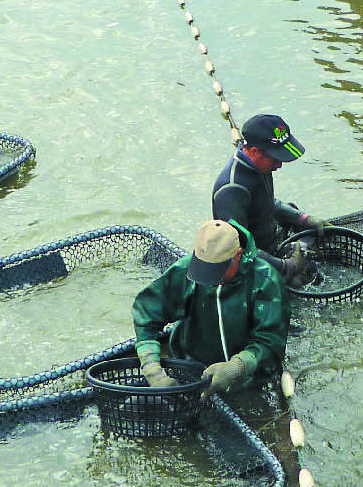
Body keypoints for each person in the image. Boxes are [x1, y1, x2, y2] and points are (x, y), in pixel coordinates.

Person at [132, 220, 288, 394]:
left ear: (237, 255)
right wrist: (153, 371)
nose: (209, 278)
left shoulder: (265, 282)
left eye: (216, 270)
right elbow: (146, 313)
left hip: (247, 380)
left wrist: (236, 367)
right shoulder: (185, 270)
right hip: (189, 367)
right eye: (203, 268)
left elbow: (270, 341)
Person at [212, 113, 326, 285]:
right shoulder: (231, 189)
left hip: (269, 242)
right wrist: (286, 266)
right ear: (253, 152)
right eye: (276, 158)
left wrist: (302, 218)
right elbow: (239, 250)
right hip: (249, 264)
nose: (279, 165)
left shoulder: (261, 167)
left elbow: (267, 202)